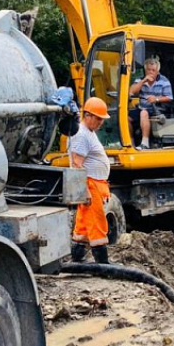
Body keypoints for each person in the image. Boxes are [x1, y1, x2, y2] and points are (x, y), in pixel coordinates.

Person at [69, 97, 112, 264]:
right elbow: (77, 164)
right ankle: (103, 263)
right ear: (87, 115)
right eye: (98, 118)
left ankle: (77, 259)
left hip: (93, 184)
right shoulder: (81, 135)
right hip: (90, 184)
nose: (101, 122)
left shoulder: (88, 133)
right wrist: (84, 190)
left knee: (83, 225)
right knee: (97, 224)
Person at [129, 57, 173, 149]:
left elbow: (169, 97)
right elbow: (132, 91)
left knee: (144, 113)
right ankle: (131, 142)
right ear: (145, 70)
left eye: (153, 70)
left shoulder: (164, 81)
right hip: (142, 107)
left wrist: (156, 99)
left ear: (157, 71)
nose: (151, 72)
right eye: (148, 69)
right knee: (126, 117)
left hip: (158, 109)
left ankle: (145, 143)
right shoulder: (140, 80)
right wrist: (143, 81)